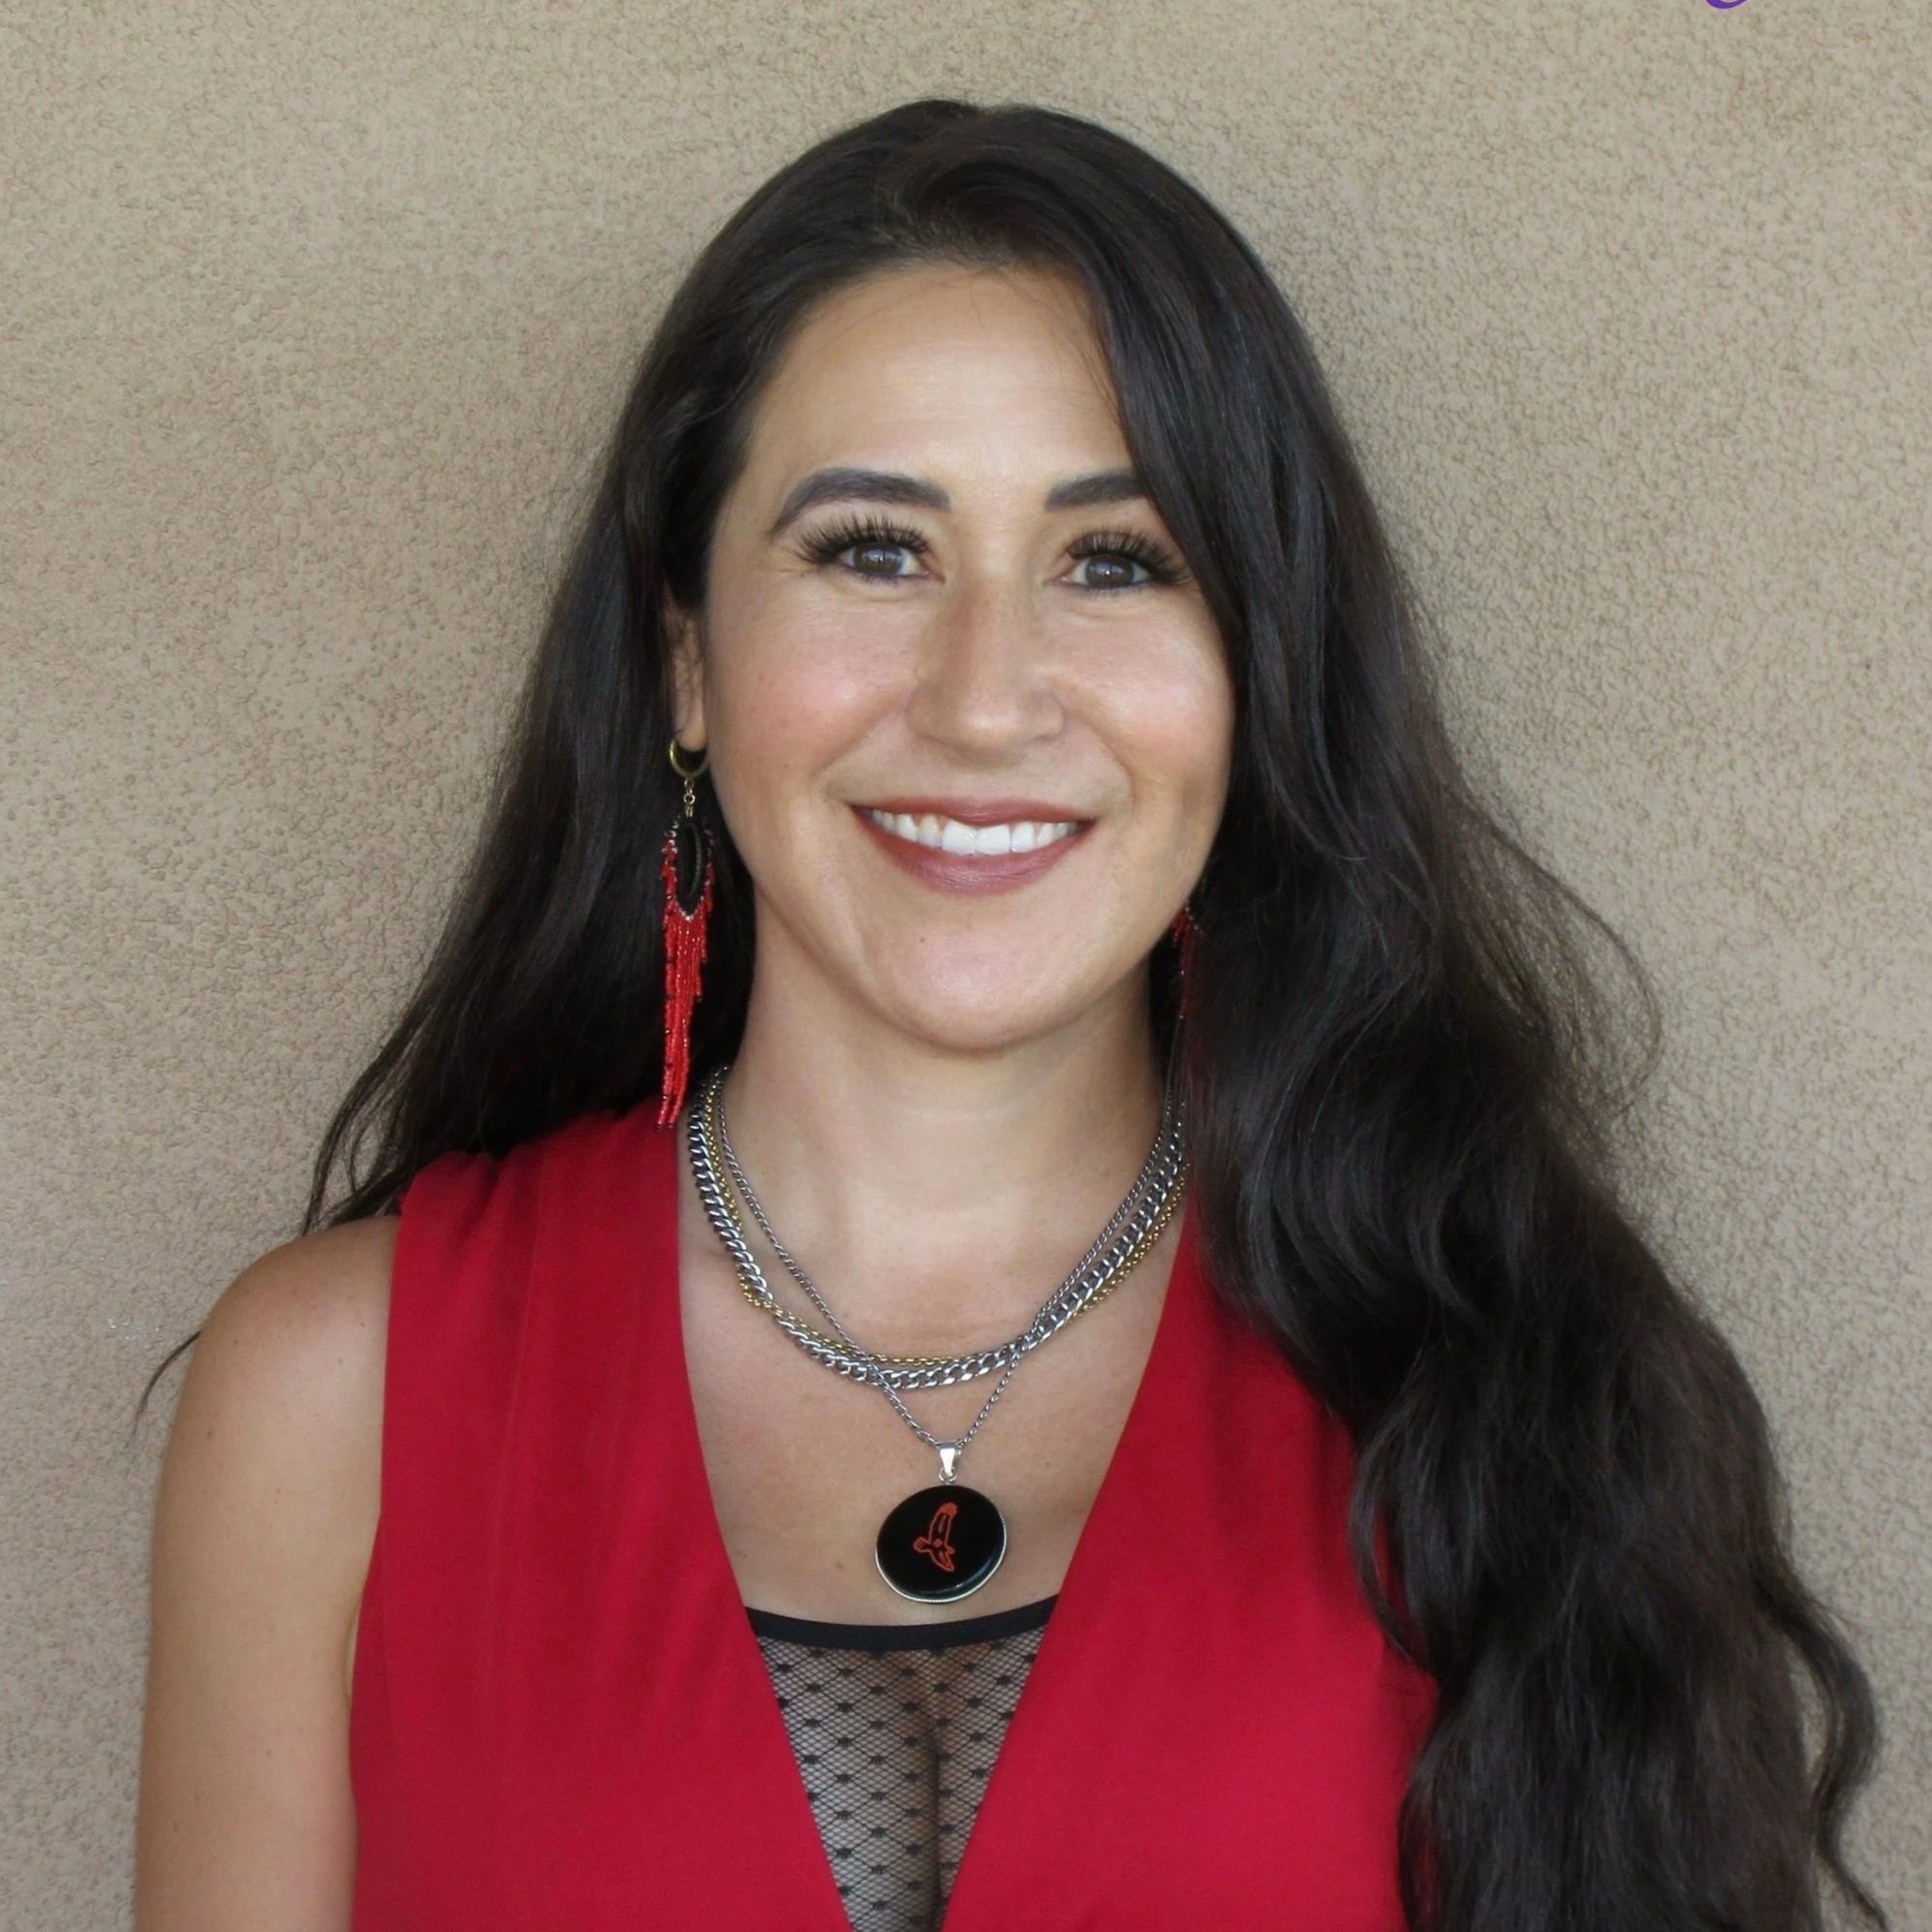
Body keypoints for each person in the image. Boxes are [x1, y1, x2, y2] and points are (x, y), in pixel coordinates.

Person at [133, 98, 1887, 1932]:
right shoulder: (337, 1392)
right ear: (683, 652)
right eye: (873, 551)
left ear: (1255, 666)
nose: (986, 700)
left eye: (1116, 560)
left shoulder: (1510, 1378)